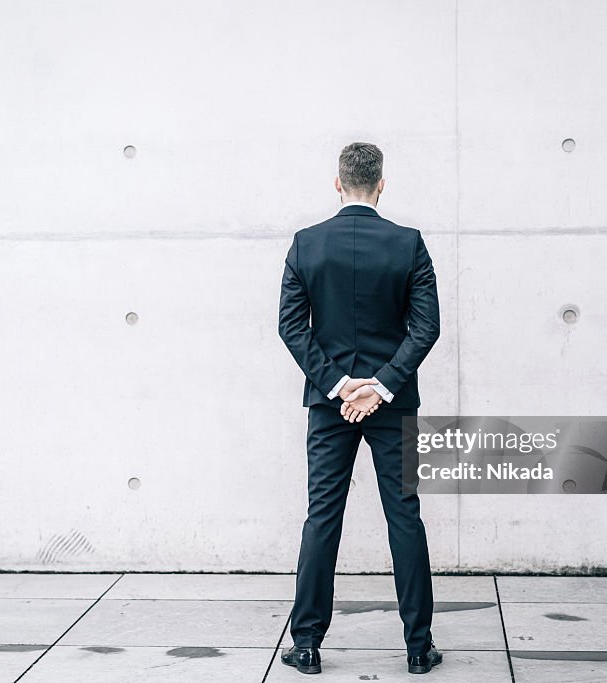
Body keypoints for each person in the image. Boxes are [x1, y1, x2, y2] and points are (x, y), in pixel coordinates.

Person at [277, 142, 443, 675]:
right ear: (381, 184)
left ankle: (306, 645)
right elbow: (426, 328)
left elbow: (290, 326)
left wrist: (339, 385)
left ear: (337, 183)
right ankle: (419, 647)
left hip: (330, 406)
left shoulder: (306, 244)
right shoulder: (408, 244)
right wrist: (381, 385)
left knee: (322, 517)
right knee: (405, 519)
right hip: (392, 406)